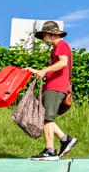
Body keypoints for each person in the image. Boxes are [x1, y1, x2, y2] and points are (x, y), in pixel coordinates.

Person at [28, 20, 77, 160]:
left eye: (44, 35)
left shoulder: (61, 45)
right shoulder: (56, 48)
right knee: (46, 117)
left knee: (47, 118)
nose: (43, 39)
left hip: (56, 87)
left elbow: (63, 63)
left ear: (52, 34)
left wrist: (43, 71)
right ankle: (65, 139)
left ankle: (50, 150)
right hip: (53, 86)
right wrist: (36, 71)